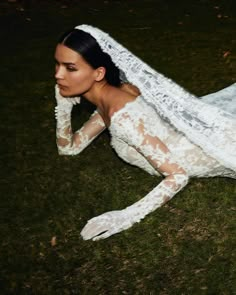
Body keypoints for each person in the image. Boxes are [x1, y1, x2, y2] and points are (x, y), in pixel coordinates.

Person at [54, 25, 236, 241]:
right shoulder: (110, 100)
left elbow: (177, 175)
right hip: (203, 136)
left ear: (99, 73)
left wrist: (126, 216)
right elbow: (69, 148)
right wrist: (63, 107)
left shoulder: (123, 116)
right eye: (57, 64)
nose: (58, 75)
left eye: (70, 68)